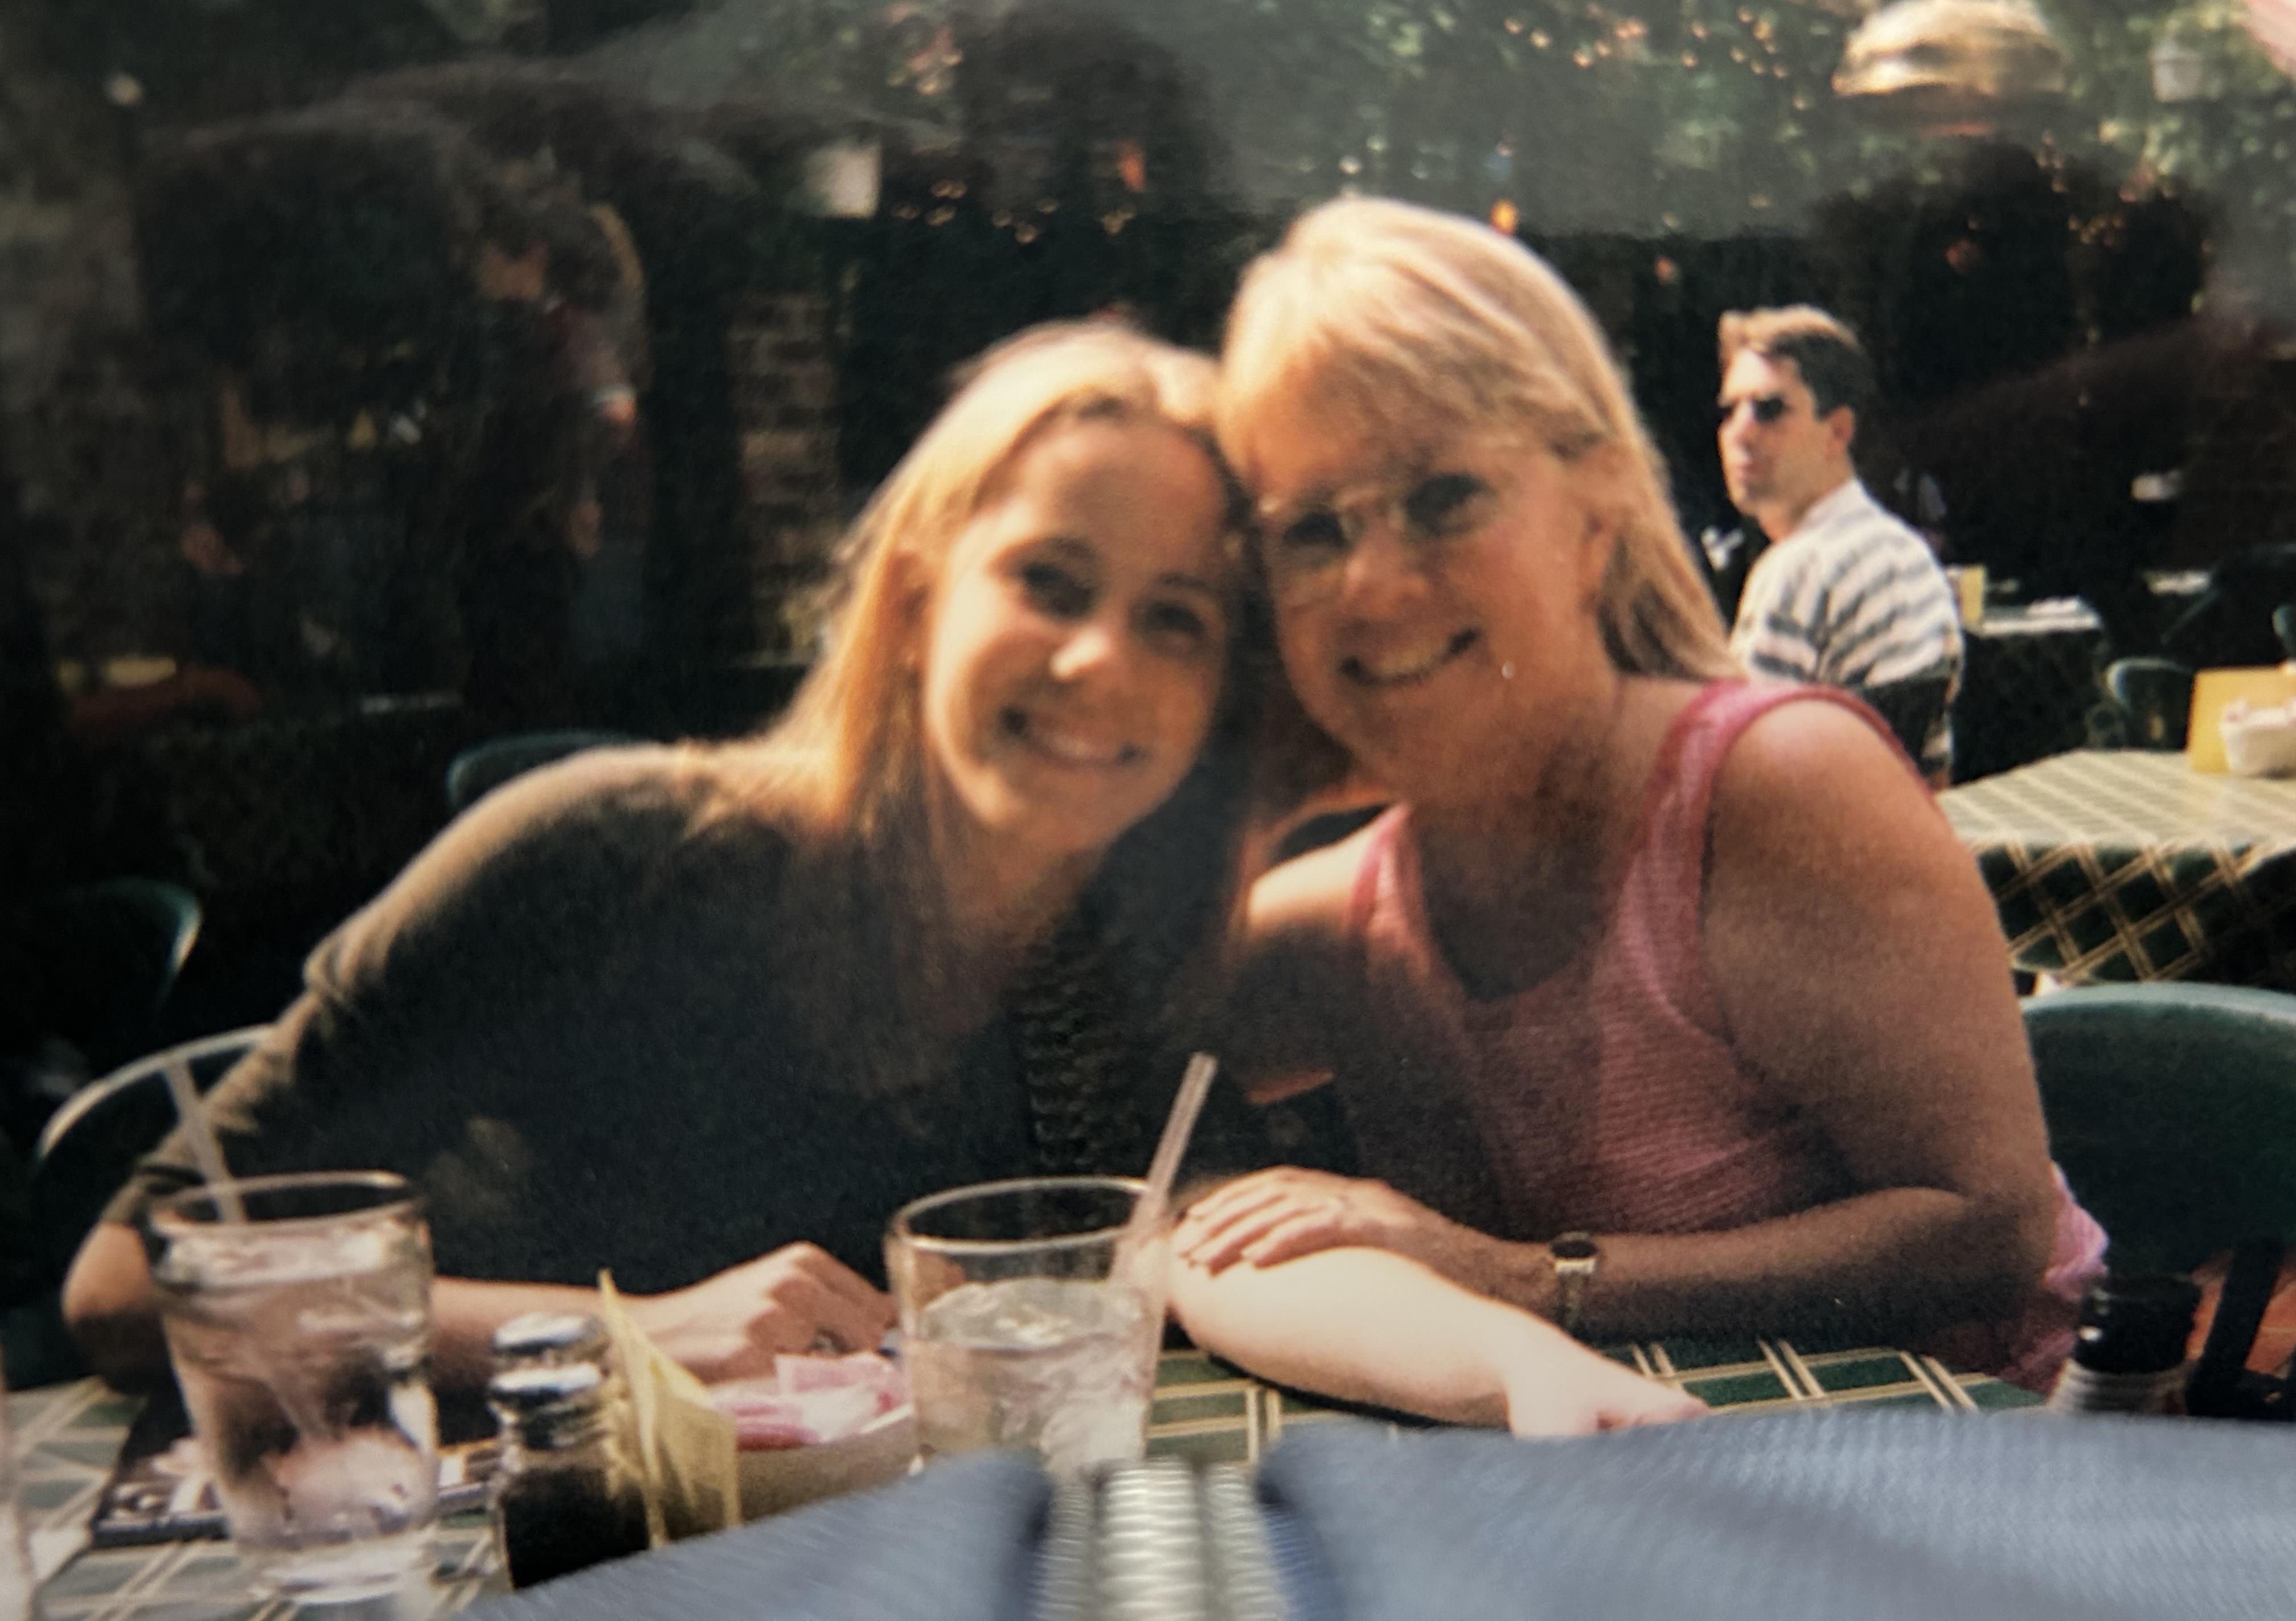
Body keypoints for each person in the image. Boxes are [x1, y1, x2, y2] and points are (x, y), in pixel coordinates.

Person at [62, 320, 1685, 1436]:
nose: (1100, 661)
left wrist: (1525, 1370)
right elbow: (133, 1285)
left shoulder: (1121, 954)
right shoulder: (608, 860)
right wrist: (624, 1337)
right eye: (1049, 580)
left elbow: (1215, 1251)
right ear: (920, 591)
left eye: (1178, 621)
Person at [1168, 199, 2103, 1398]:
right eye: (1311, 532)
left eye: (1443, 498)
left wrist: (1515, 1276)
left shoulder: (1773, 790)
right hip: (1613, 1500)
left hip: (1970, 1482)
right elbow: (1092, 1087)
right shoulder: (1340, 925)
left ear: (1595, 505)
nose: (1376, 584)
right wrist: (1246, 793)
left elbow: (1984, 1234)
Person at [1714, 306, 1965, 780]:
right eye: (1730, 410)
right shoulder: (1905, 554)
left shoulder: (1798, 570)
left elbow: (1737, 777)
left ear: (1838, 432)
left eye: (1770, 409)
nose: (1740, 432)